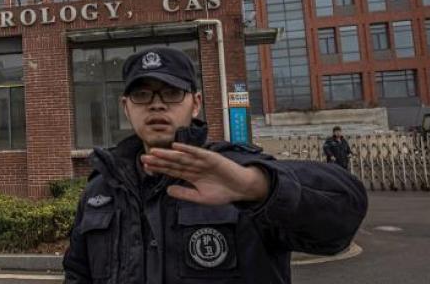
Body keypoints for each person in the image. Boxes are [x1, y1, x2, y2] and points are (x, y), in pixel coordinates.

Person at [63, 47, 367, 284]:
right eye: (142, 95)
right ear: (126, 107)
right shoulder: (101, 189)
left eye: (171, 93)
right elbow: (78, 273)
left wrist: (257, 187)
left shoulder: (238, 171)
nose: (156, 104)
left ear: (195, 103)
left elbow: (343, 217)